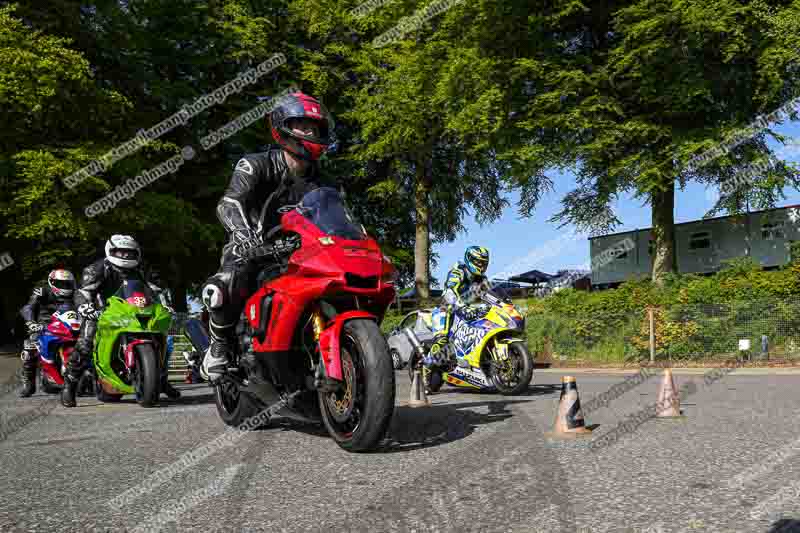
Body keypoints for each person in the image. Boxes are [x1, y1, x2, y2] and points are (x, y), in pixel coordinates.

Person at [200, 91, 334, 382]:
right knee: (223, 285)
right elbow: (230, 202)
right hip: (254, 248)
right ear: (282, 127)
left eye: (315, 128)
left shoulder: (323, 181)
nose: (310, 132)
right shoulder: (256, 164)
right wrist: (243, 234)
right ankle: (220, 348)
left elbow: (338, 216)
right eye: (303, 126)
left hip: (302, 251)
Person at [62, 235, 180, 407]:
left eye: (129, 253)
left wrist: (166, 305)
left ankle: (160, 379)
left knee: (164, 338)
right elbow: (84, 292)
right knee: (85, 343)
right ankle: (69, 386)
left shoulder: (143, 268)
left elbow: (157, 290)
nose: (125, 256)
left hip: (137, 309)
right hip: (104, 311)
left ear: (137, 253)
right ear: (110, 251)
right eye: (120, 252)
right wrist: (85, 306)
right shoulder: (96, 269)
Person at [426, 246, 491, 372]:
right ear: (470, 259)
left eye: (484, 263)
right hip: (446, 308)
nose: (482, 266)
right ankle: (426, 366)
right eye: (479, 262)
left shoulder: (482, 279)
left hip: (467, 310)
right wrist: (459, 306)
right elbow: (449, 292)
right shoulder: (458, 272)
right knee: (442, 340)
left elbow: (488, 296)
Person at [18, 269, 77, 397]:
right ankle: (28, 382)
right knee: (30, 346)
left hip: (68, 325)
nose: (65, 287)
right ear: (52, 283)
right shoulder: (42, 291)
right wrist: (31, 322)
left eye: (67, 284)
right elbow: (28, 307)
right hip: (44, 325)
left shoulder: (77, 294)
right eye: (61, 284)